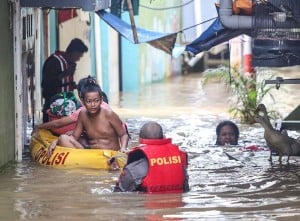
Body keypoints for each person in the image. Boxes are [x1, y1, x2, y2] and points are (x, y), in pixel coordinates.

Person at [53, 77, 129, 152]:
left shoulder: (109, 114)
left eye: (96, 101)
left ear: (101, 100)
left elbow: (123, 135)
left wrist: (123, 148)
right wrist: (57, 141)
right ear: (82, 101)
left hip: (110, 154)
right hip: (91, 155)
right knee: (63, 138)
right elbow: (74, 137)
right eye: (89, 101)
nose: (93, 105)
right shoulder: (82, 114)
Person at [113, 121, 189, 193]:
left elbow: (118, 194)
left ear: (140, 140)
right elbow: (186, 188)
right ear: (164, 137)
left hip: (147, 204)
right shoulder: (179, 163)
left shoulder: (134, 168)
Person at [35, 76, 110, 135]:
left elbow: (59, 123)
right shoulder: (106, 106)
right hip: (107, 142)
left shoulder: (83, 111)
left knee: (64, 138)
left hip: (96, 142)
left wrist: (39, 127)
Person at [41, 38, 88, 123]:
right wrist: (64, 74)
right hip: (53, 104)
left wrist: (74, 85)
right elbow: (47, 84)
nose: (78, 59)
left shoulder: (69, 63)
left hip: (66, 103)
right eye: (79, 56)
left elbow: (65, 83)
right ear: (74, 52)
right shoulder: (54, 61)